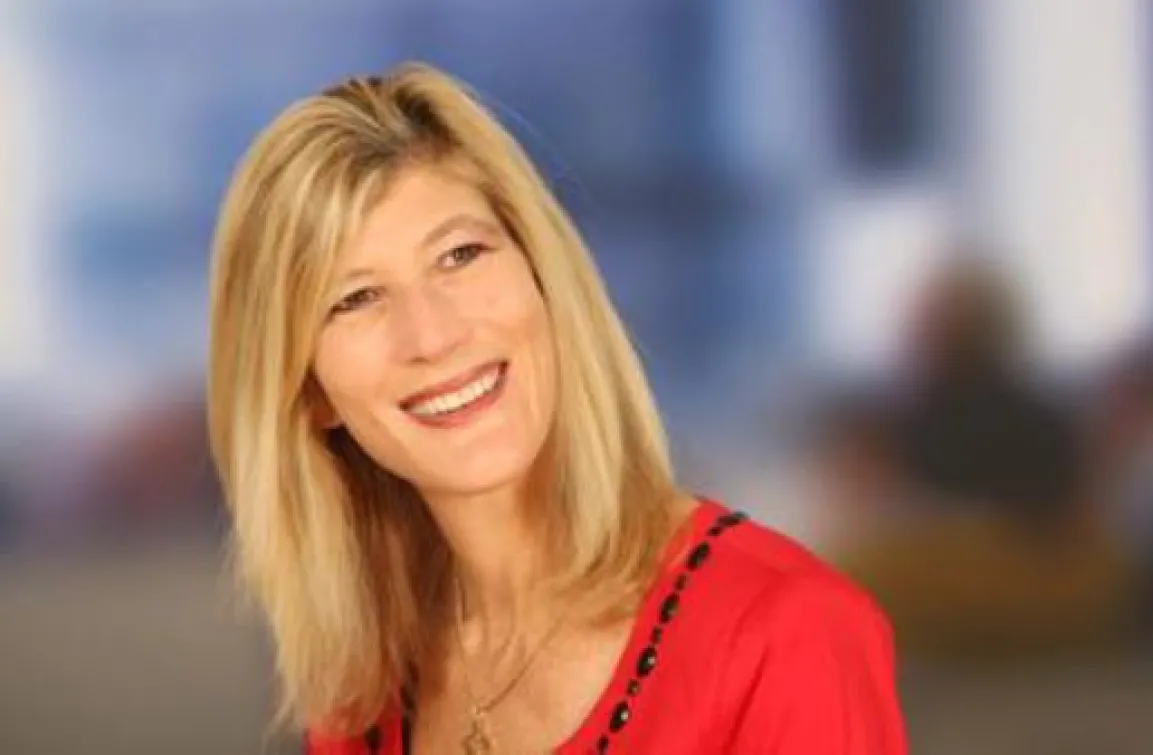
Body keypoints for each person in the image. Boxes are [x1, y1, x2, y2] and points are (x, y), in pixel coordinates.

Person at [207, 62, 905, 754]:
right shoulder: (362, 700)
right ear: (311, 392)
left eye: (459, 254)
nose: (433, 334)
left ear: (542, 277)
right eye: (355, 298)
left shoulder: (788, 635)